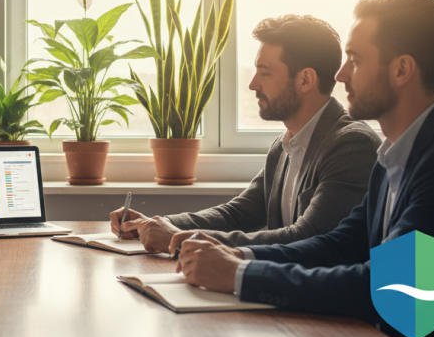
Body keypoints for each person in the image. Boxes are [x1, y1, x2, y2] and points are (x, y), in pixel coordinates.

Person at [177, 0, 434, 337]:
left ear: (401, 70)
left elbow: (397, 291)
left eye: (356, 59)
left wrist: (237, 276)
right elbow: (338, 245)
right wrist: (239, 256)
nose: (341, 74)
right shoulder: (394, 158)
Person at [111, 15, 379, 253]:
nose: (253, 84)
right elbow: (237, 215)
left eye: (265, 72)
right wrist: (158, 223)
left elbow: (308, 238)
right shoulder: (283, 147)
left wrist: (183, 238)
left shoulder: (350, 146)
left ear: (306, 80)